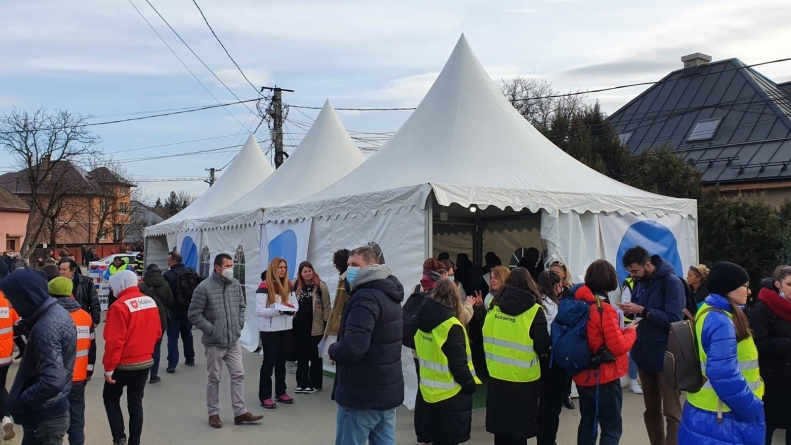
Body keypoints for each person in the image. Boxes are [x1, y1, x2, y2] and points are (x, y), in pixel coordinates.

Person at [679, 262, 764, 445]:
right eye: (745, 286)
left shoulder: (710, 312)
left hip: (710, 413)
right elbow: (723, 374)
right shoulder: (721, 321)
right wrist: (752, 408)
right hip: (723, 418)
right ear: (729, 288)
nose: (749, 292)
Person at [328, 246, 404, 445]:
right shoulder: (390, 293)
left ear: (371, 266)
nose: (350, 270)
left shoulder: (365, 298)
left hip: (361, 394)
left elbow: (354, 347)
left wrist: (333, 350)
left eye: (355, 265)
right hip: (386, 392)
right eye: (348, 266)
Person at [0, 268, 76, 445]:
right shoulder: (53, 314)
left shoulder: (46, 326)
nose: (10, 305)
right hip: (49, 413)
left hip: (44, 418)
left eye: (11, 299)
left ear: (25, 295)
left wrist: (20, 401)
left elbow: (52, 381)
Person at [619, 246, 685, 445]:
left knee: (672, 412)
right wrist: (629, 312)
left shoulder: (671, 282)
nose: (633, 275)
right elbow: (642, 313)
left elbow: (674, 317)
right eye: (630, 272)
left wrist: (642, 310)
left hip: (667, 355)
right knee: (651, 411)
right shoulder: (640, 282)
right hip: (643, 354)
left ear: (648, 264)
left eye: (635, 271)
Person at [189, 253, 262, 428]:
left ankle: (240, 412)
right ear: (217, 268)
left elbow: (242, 306)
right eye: (227, 266)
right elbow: (193, 314)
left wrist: (239, 324)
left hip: (233, 339)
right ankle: (213, 413)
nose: (231, 269)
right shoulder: (203, 288)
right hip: (214, 342)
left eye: (232, 265)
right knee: (214, 378)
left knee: (238, 374)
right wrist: (212, 329)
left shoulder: (235, 285)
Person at [572, 260, 638, 445]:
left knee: (587, 423)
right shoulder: (603, 309)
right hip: (604, 376)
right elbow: (618, 347)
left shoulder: (575, 303)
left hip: (581, 372)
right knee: (611, 428)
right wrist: (631, 330)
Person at [483, 267, 550, 445]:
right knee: (519, 431)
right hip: (524, 379)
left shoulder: (494, 306)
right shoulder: (535, 310)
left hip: (497, 375)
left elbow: (486, 336)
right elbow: (543, 345)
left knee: (501, 430)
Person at [414, 278, 479, 445]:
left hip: (428, 392)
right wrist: (469, 385)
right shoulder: (452, 326)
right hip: (451, 395)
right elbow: (459, 366)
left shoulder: (420, 321)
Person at [102, 271, 161, 445]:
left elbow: (114, 341)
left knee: (111, 399)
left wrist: (108, 368)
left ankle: (119, 438)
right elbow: (157, 332)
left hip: (122, 364)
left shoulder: (119, 306)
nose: (112, 288)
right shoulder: (150, 301)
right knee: (136, 403)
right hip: (145, 361)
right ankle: (135, 442)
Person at [48, 277, 95, 445]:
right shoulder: (85, 316)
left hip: (54, 378)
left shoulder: (48, 316)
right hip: (78, 377)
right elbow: (92, 348)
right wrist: (88, 371)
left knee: (52, 422)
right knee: (76, 419)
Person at [748, 266, 791, 445]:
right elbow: (757, 344)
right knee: (766, 428)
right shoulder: (763, 310)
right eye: (789, 284)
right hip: (771, 381)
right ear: (778, 284)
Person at [256, 257, 297, 409]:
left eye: (284, 267)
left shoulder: (289, 285)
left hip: (286, 329)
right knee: (269, 362)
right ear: (273, 268)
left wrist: (291, 310)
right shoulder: (264, 286)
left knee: (281, 362)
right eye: (280, 267)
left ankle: (281, 392)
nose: (282, 270)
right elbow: (260, 311)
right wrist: (279, 310)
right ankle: (265, 395)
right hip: (269, 330)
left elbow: (294, 303)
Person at [535, 270, 567, 445]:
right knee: (552, 406)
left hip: (539, 359)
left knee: (543, 404)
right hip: (554, 359)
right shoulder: (555, 307)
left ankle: (544, 439)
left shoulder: (536, 302)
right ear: (556, 286)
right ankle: (547, 440)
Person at [293, 261, 331, 394]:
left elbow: (327, 306)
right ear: (300, 273)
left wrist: (327, 325)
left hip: (316, 327)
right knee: (301, 356)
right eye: (305, 271)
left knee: (315, 356)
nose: (308, 273)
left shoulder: (321, 286)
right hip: (299, 327)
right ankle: (301, 383)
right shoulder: (295, 285)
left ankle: (315, 384)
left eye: (310, 270)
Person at [163, 251, 197, 373]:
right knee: (187, 334)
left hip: (174, 311)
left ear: (174, 261)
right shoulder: (191, 271)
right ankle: (190, 359)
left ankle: (172, 364)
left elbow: (166, 293)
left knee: (172, 338)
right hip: (188, 309)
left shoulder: (168, 275)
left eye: (169, 260)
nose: (167, 262)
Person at [137, 264, 171, 384]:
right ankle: (154, 375)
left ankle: (142, 374)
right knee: (156, 348)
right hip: (160, 319)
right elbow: (170, 301)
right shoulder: (165, 285)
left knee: (144, 348)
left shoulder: (141, 286)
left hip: (144, 320)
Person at [0, 289, 19, 441]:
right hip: (4, 355)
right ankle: (6, 418)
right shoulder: (7, 302)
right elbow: (18, 325)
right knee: (0, 387)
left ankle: (5, 418)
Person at [619, 276, 644, 395]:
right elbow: (626, 305)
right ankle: (633, 381)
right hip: (632, 322)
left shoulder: (647, 281)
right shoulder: (629, 283)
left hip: (644, 320)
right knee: (633, 353)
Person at [59, 259, 101, 326]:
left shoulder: (86, 282)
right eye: (60, 269)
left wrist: (95, 320)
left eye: (64, 269)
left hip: (82, 319)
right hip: (63, 321)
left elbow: (94, 302)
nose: (61, 272)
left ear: (73, 270)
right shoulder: (56, 283)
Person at [325, 249, 351, 339]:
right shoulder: (344, 277)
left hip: (343, 323)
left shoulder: (346, 278)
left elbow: (337, 304)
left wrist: (329, 329)